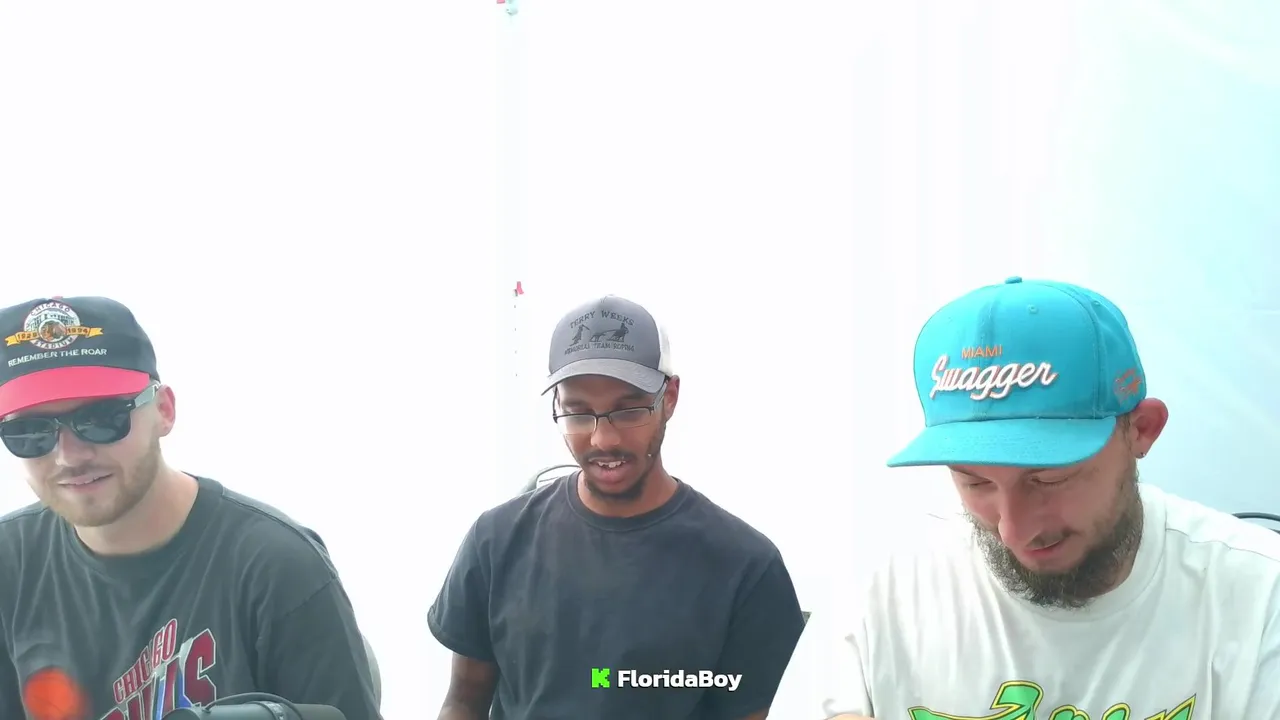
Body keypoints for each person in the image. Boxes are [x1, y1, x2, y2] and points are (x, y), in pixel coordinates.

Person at [808, 277, 1280, 719]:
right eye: (975, 483)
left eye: (1050, 479)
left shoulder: (1259, 595)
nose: (1013, 530)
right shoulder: (884, 589)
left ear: (1141, 429)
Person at [0, 296, 382, 720]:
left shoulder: (276, 566)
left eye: (101, 418)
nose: (68, 456)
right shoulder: (9, 563)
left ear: (164, 411)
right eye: (29, 432)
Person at [428, 295, 806, 720]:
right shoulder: (496, 542)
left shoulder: (745, 568)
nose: (602, 439)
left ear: (669, 398)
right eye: (578, 413)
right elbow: (463, 701)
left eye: (628, 411)